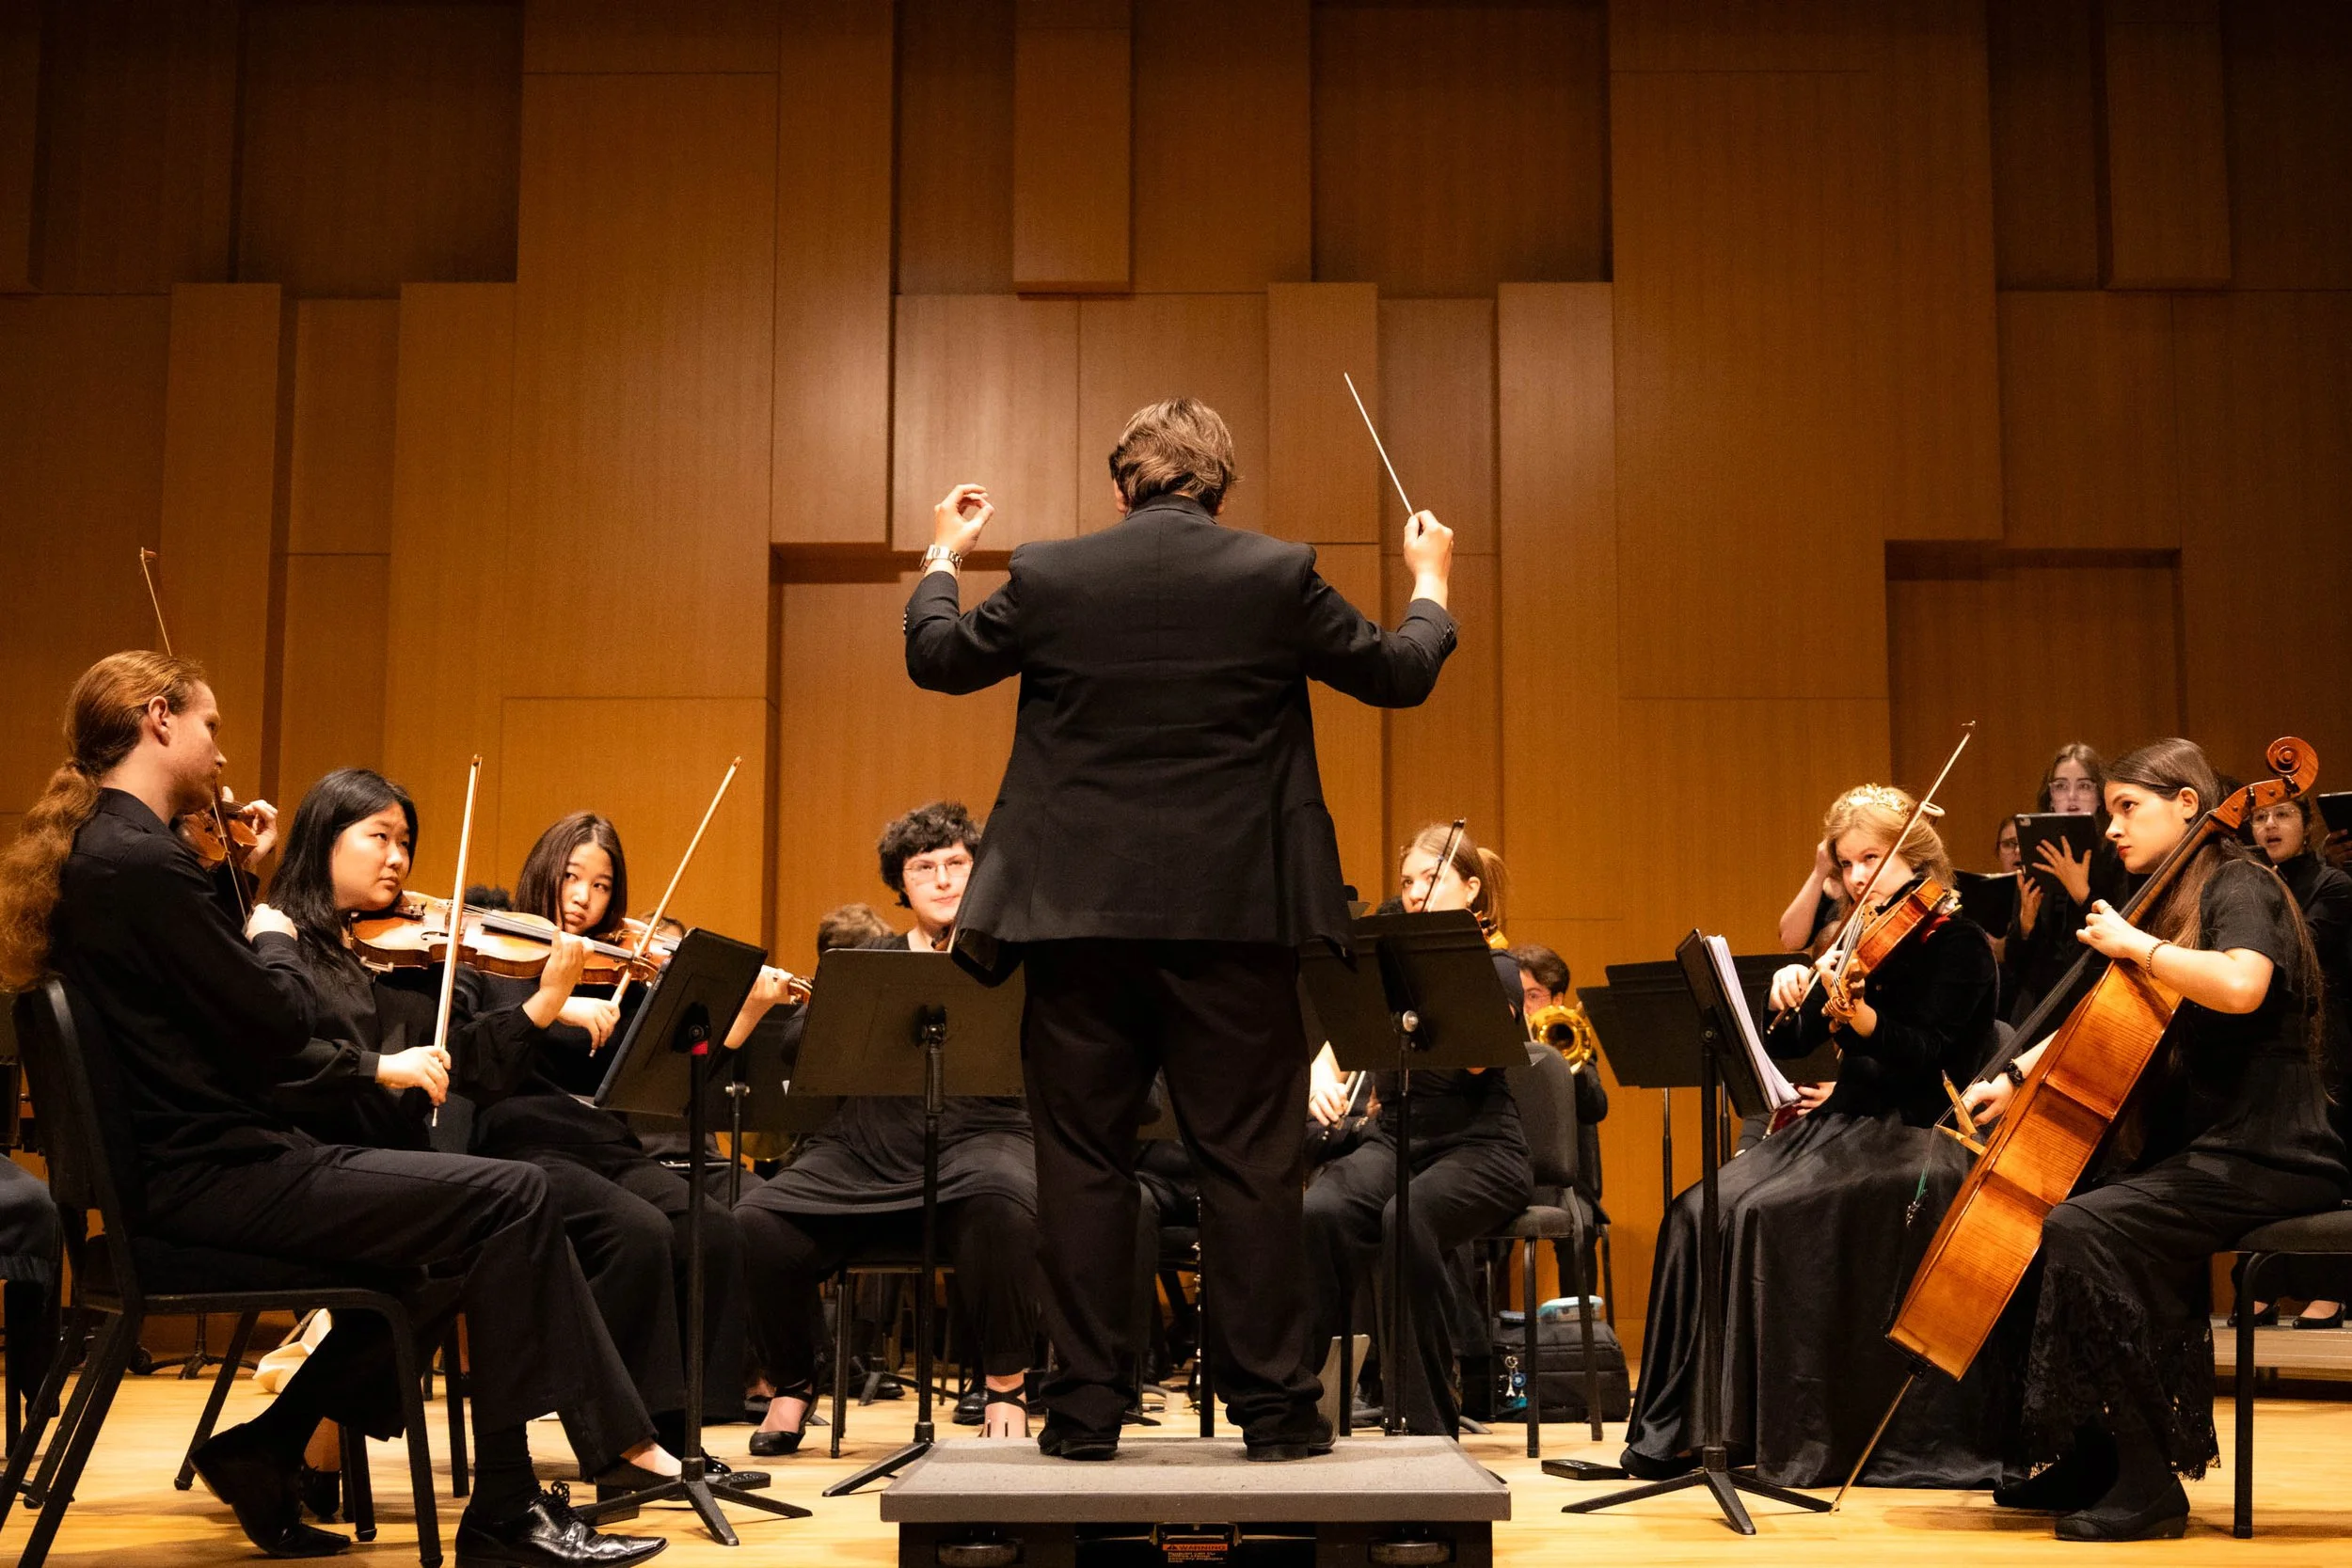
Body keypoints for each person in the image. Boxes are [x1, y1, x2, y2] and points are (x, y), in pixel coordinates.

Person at [0, 651, 666, 1566]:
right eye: (211, 727)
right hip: (211, 1176)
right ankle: (508, 1513)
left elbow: (207, 1003)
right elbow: (271, 1022)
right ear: (159, 719)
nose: (220, 753)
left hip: (182, 1171)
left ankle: (267, 1449)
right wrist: (260, 905)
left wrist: (234, 875)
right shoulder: (144, 862)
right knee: (515, 1196)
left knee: (450, 1250)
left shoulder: (114, 854)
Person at [903, 397, 1457, 1460]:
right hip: (1234, 922)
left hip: (1075, 928)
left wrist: (945, 551)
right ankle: (1276, 1410)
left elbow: (938, 655)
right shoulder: (1272, 572)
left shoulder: (1054, 573)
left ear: (1121, 488)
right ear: (1220, 489)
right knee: (1251, 1163)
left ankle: (1085, 1409)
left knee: (1080, 1163)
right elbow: (1399, 671)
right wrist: (1429, 579)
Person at [1961, 739, 2347, 1541]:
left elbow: (2243, 983)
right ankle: (2096, 1454)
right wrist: (2018, 1073)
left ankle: (2147, 1481)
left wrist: (2138, 945)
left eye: (2127, 808)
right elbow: (2111, 1007)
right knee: (2049, 1220)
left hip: (2272, 1150)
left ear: (2187, 804)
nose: (2111, 830)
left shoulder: (2240, 882)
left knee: (2084, 1228)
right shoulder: (2173, 897)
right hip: (2206, 1149)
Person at [1620, 784, 2005, 1488]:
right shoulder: (1857, 936)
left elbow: (1929, 1052)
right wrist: (1790, 987)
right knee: (1696, 1210)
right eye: (1847, 862)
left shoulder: (1959, 941)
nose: (1857, 877)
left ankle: (1789, 1431)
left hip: (1920, 1133)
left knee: (1767, 1214)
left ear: (1916, 856)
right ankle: (1690, 1429)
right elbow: (1794, 1039)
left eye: (1873, 858)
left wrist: (1861, 1022)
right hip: (1841, 1125)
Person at [471, 812, 794, 1468]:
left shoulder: (615, 967)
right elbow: (481, 1056)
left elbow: (673, 1079)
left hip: (606, 1143)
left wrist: (744, 1013)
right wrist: (553, 999)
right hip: (522, 1143)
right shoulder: (493, 954)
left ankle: (678, 1432)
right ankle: (617, 1440)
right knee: (638, 1231)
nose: (583, 895)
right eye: (570, 876)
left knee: (712, 1229)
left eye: (600, 883)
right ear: (543, 870)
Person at [735, 803, 1041, 1454]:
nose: (942, 878)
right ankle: (793, 1381)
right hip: (866, 1151)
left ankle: (1006, 1382)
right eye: (923, 867)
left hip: (984, 1141)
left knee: (1004, 1204)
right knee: (757, 1222)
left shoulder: (1014, 957)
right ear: (901, 885)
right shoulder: (868, 957)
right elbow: (797, 1046)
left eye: (957, 863)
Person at [1299, 824, 1533, 1436]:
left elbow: (1479, 1054)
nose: (1414, 892)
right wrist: (1319, 1067)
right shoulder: (1386, 967)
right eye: (1407, 882)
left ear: (1471, 888)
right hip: (1397, 1137)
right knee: (1322, 1208)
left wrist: (1435, 968)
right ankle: (1308, 1402)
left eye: (1430, 879)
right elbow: (1336, 1029)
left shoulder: (1501, 964)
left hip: (1481, 1145)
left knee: (1408, 1217)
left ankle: (1427, 1423)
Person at [2246, 794, 2352, 1328]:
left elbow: (2302, 953)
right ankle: (2265, 1287)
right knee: (2267, 1160)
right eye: (2260, 817)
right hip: (2264, 1045)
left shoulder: (2332, 885)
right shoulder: (2248, 883)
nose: (2269, 825)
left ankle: (2328, 1290)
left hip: (2325, 1043)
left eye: (2282, 814)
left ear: (2306, 827)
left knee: (2323, 1167)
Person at [2004, 743, 2133, 1028]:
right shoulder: (2036, 854)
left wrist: (2081, 893)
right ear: (2050, 799)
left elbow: (2124, 944)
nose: (2072, 798)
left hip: (2095, 1002)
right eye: (2060, 787)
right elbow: (2016, 968)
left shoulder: (2118, 854)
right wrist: (2025, 924)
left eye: (2084, 787)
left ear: (2100, 797)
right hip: (2039, 1007)